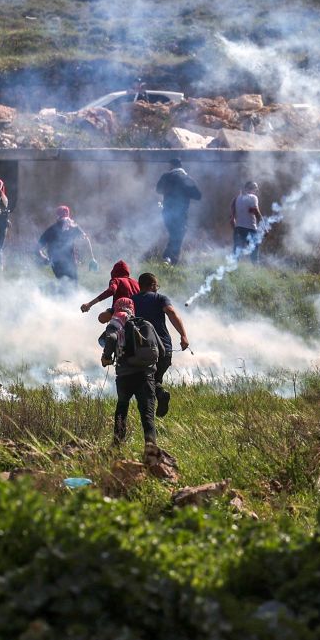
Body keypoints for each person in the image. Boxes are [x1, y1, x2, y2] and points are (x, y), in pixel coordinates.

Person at [98, 297, 160, 446]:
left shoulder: (115, 323)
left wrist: (107, 357)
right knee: (147, 414)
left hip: (125, 375)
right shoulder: (145, 324)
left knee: (122, 409)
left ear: (117, 307)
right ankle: (151, 448)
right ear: (132, 308)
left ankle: (117, 445)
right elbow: (161, 350)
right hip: (146, 376)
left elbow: (111, 338)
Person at [132, 272, 190, 417]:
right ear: (152, 285)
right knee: (154, 380)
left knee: (146, 382)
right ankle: (159, 395)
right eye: (156, 285)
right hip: (164, 349)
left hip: (142, 350)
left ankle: (155, 402)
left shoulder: (132, 301)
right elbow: (171, 312)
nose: (157, 288)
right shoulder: (160, 298)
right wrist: (183, 335)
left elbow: (109, 316)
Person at [155, 156, 201, 266]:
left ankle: (170, 260)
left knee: (175, 234)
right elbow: (198, 196)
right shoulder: (186, 179)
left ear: (171, 166)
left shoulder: (166, 176)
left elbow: (158, 190)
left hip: (167, 212)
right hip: (181, 214)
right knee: (178, 235)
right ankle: (168, 258)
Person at [37, 205, 96, 282]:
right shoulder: (51, 230)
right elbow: (38, 247)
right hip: (57, 263)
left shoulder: (73, 227)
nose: (65, 219)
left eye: (66, 216)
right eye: (63, 217)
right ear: (58, 218)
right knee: (65, 284)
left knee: (72, 285)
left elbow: (85, 239)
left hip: (70, 263)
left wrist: (92, 258)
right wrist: (44, 258)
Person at [231, 180, 264, 264]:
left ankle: (232, 273)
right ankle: (255, 273)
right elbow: (256, 212)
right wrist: (264, 227)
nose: (256, 191)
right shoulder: (253, 197)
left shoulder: (236, 198)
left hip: (238, 229)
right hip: (250, 229)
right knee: (254, 255)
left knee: (236, 254)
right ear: (249, 189)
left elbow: (232, 219)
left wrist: (235, 227)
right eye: (255, 189)